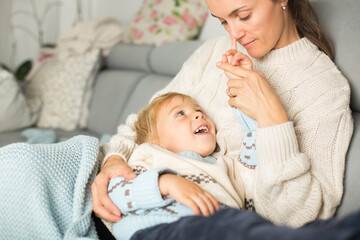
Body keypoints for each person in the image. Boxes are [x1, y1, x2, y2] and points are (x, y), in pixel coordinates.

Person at [92, 0, 353, 230]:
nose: (235, 35)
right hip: (132, 197)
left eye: (244, 15)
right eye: (223, 22)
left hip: (188, 223)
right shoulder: (213, 52)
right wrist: (114, 160)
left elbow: (303, 217)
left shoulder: (325, 89)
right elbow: (144, 122)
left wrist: (272, 118)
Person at [108, 92, 247, 239]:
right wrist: (165, 183)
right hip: (161, 228)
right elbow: (115, 192)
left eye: (199, 111)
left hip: (223, 225)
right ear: (156, 142)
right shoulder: (150, 154)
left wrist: (250, 127)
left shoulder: (221, 164)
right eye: (180, 113)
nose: (198, 115)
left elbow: (248, 181)